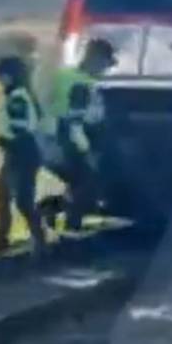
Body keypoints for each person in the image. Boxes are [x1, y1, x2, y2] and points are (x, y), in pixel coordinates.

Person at [46, 38, 116, 232]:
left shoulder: (61, 75)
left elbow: (48, 101)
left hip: (56, 135)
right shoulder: (90, 85)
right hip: (74, 137)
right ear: (95, 58)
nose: (104, 69)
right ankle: (70, 226)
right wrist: (88, 151)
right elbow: (79, 120)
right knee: (87, 182)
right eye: (103, 64)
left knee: (77, 182)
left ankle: (53, 214)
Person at [0, 56, 46, 259]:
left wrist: (4, 141)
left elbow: (19, 129)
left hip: (20, 153)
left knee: (20, 200)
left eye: (2, 74)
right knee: (3, 196)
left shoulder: (17, 98)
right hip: (22, 153)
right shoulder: (20, 95)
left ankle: (39, 240)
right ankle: (2, 239)